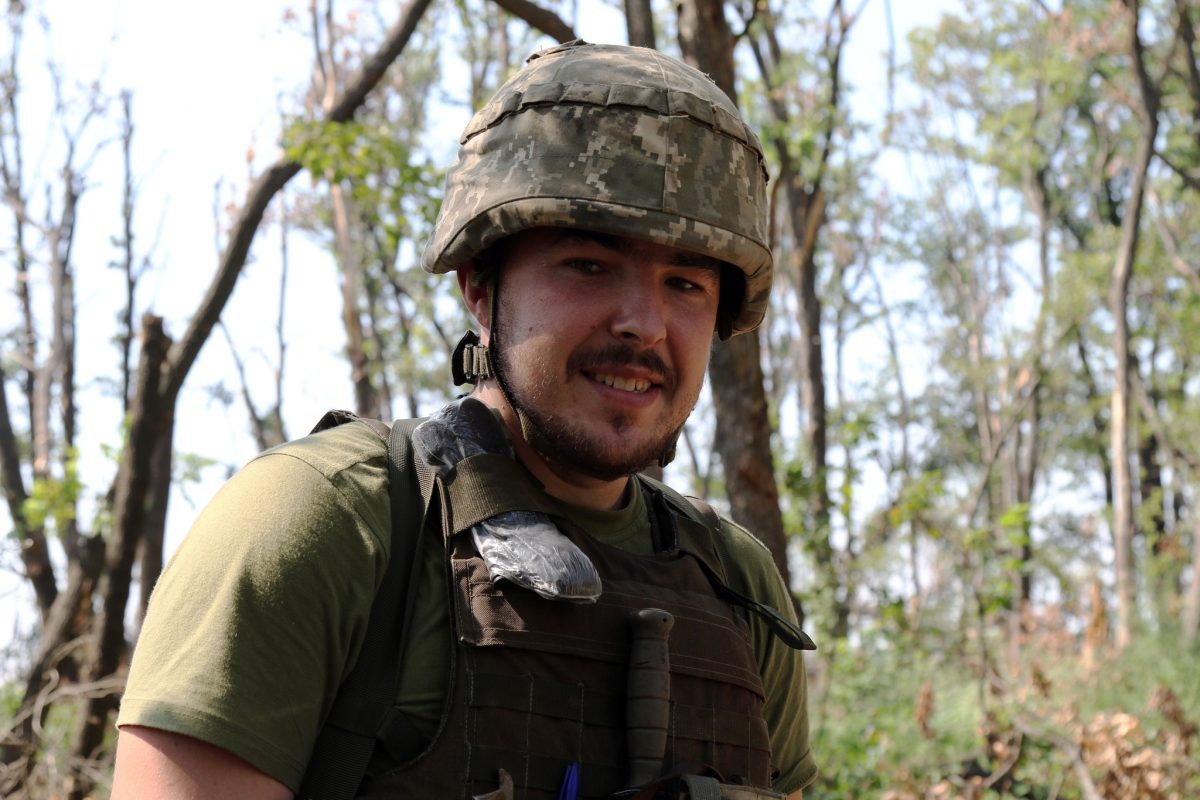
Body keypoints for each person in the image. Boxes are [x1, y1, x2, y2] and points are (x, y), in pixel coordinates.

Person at [112, 40, 818, 799]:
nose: (643, 324)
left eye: (685, 283)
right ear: (480, 285)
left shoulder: (737, 586)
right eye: (589, 265)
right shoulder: (329, 525)